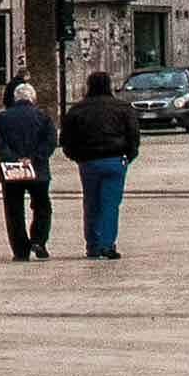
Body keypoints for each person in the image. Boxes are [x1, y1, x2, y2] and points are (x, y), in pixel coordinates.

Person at [58, 70, 141, 261]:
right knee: (111, 204)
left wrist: (75, 156)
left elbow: (66, 139)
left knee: (91, 203)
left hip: (88, 161)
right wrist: (129, 156)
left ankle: (93, 245)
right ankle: (107, 243)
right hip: (115, 159)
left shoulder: (78, 110)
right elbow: (134, 135)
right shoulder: (122, 108)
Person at [0, 80, 56, 261]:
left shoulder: (1, 118)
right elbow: (50, 142)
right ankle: (39, 240)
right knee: (42, 206)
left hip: (11, 170)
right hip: (38, 169)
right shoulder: (44, 117)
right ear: (33, 98)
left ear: (15, 98)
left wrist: (13, 158)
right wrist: (33, 158)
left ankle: (20, 250)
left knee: (14, 210)